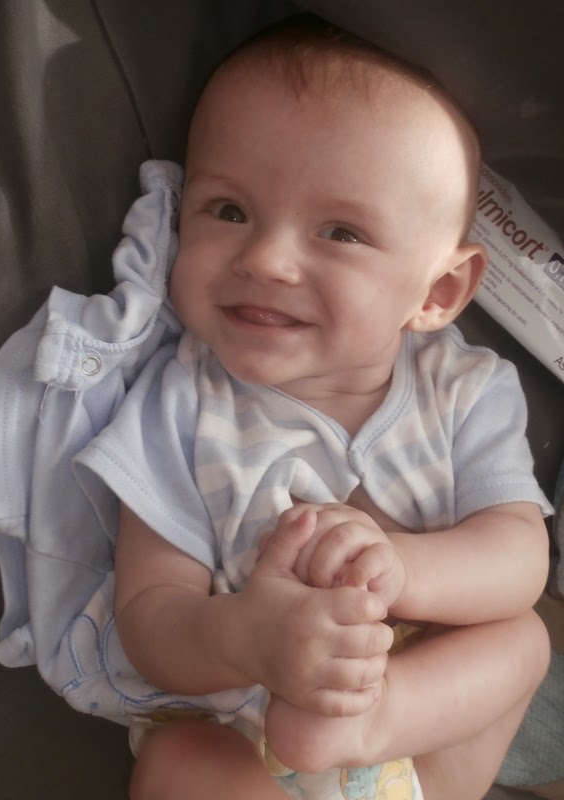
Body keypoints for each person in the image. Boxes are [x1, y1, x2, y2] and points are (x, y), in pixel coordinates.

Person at [83, 14, 552, 800]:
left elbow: (519, 559)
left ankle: (371, 722)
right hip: (248, 738)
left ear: (438, 292)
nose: (266, 259)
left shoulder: (465, 390)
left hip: (412, 736)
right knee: (177, 763)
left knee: (521, 640)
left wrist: (400, 568)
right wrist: (247, 638)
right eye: (228, 211)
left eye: (340, 232)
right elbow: (149, 617)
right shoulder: (179, 406)